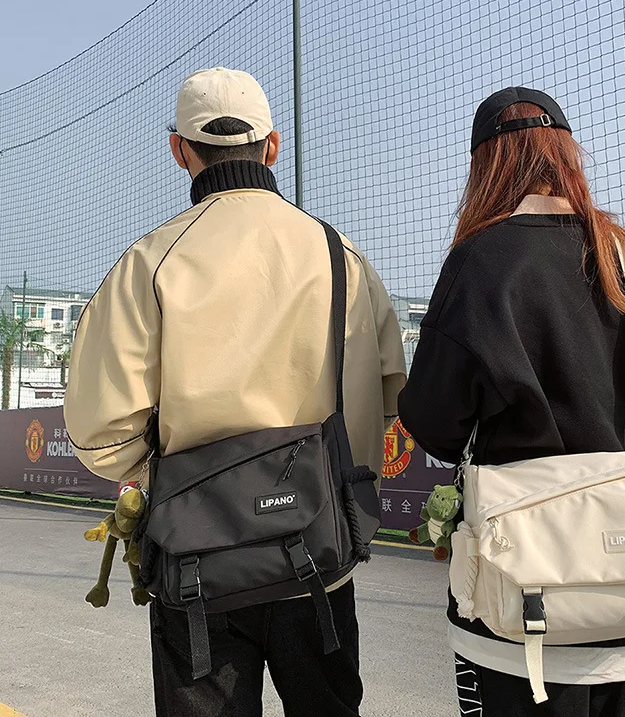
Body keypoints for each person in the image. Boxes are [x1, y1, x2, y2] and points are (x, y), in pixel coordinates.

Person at [64, 67, 406, 717]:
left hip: (199, 570)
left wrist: (182, 478)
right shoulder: (341, 257)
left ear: (179, 150)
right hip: (320, 564)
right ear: (271, 147)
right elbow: (385, 399)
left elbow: (97, 434)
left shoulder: (149, 261)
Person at [399, 87, 625, 717]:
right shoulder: (613, 252)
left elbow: (437, 426)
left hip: (521, 602)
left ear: (482, 167)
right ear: (567, 153)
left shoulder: (479, 260)